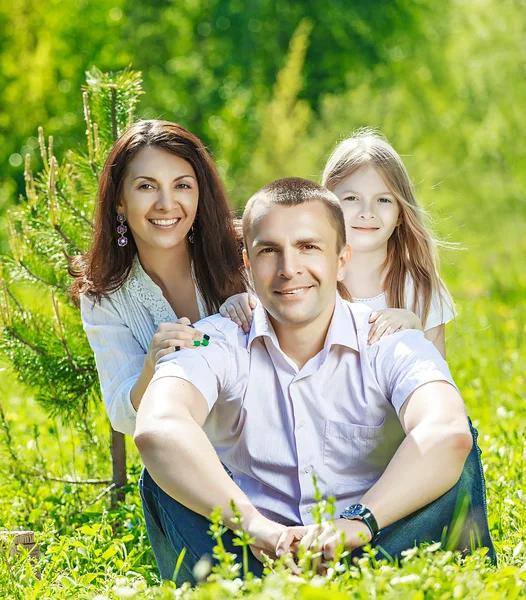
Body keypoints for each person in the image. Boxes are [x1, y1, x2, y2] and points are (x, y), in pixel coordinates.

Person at [134, 177, 495, 584]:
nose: (290, 269)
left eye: (309, 247)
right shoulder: (217, 338)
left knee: (456, 444)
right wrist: (257, 528)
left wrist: (355, 526)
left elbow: (445, 431)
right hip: (254, 555)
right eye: (270, 250)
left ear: (342, 258)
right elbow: (157, 427)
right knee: (163, 469)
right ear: (248, 263)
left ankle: (373, 586)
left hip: (378, 544)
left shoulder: (389, 340)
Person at [70, 120, 247, 437]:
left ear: (199, 193)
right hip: (180, 465)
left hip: (275, 459)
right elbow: (123, 417)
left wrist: (258, 310)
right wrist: (153, 365)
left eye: (181, 185)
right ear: (119, 201)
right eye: (146, 186)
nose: (166, 204)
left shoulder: (246, 252)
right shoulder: (103, 295)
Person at [221, 130, 454, 358]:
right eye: (352, 198)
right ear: (328, 206)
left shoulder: (419, 287)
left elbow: (437, 378)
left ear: (401, 213)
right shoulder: (296, 275)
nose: (367, 212)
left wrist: (415, 331)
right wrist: (237, 304)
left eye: (383, 200)